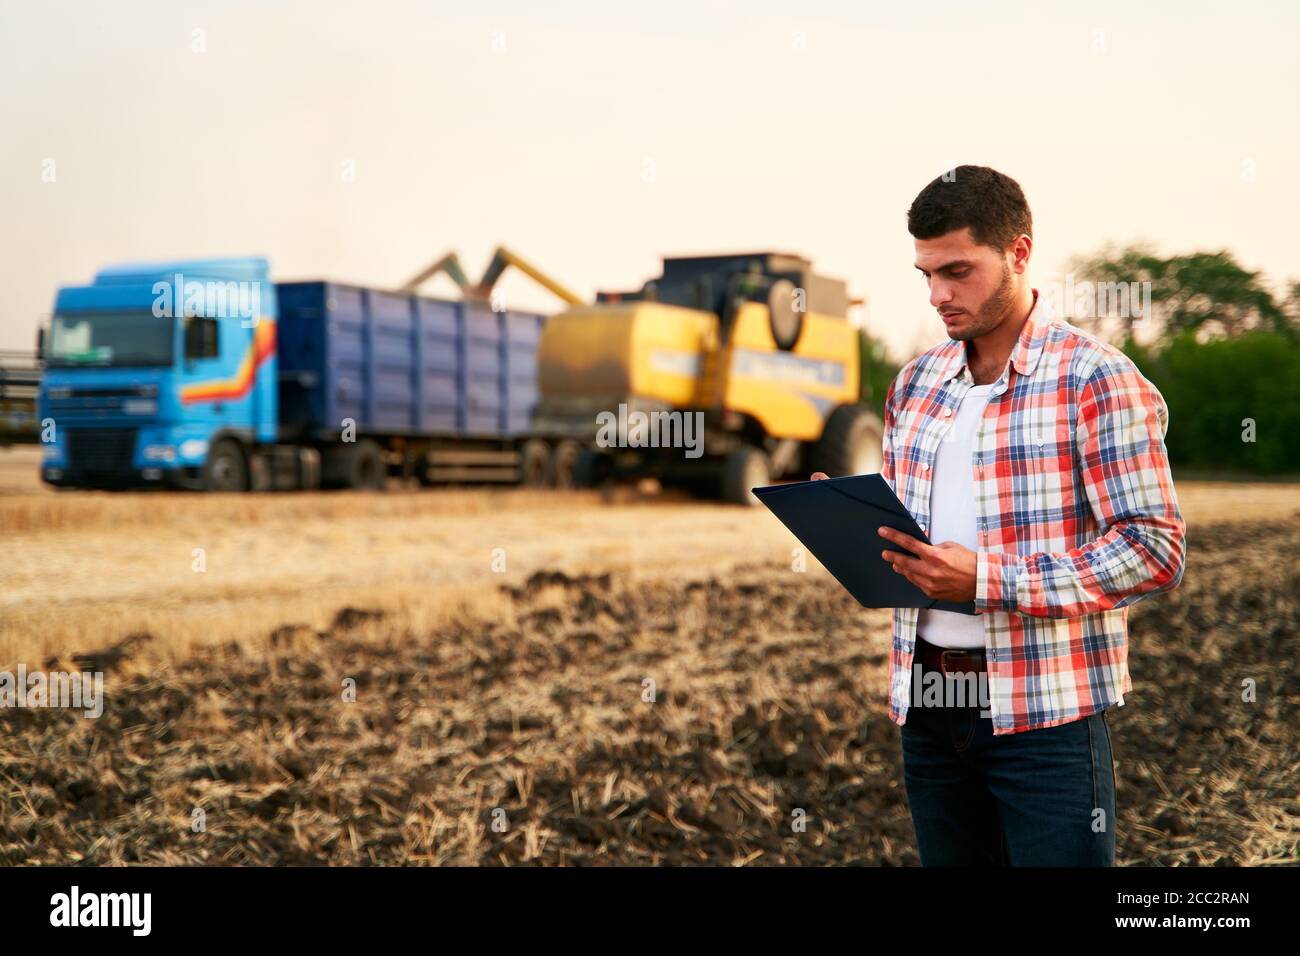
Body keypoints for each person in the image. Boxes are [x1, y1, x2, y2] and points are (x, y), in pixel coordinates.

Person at [811, 165, 1186, 866]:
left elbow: (1154, 549)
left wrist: (988, 580)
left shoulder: (1095, 378)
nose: (938, 294)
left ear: (1019, 253)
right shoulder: (915, 385)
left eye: (957, 270)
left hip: (1045, 713)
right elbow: (914, 541)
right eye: (925, 274)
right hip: (927, 703)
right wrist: (850, 524)